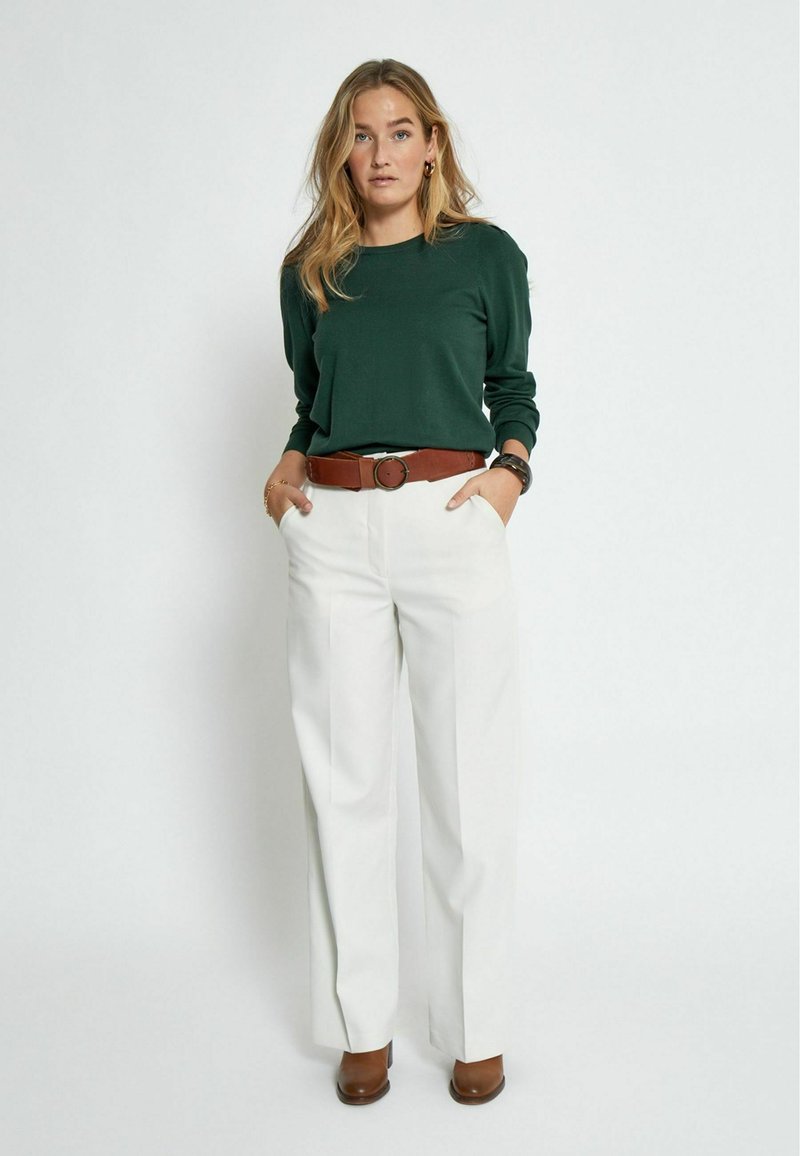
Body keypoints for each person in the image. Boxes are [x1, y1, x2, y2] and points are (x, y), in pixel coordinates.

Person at [263, 58, 540, 1106]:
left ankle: (474, 1028)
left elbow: (511, 383)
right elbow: (313, 398)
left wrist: (509, 474)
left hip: (447, 518)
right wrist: (289, 462)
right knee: (345, 784)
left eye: (399, 131)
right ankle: (361, 1025)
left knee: (467, 783)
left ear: (431, 144)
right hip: (331, 527)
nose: (379, 153)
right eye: (360, 133)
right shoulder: (310, 268)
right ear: (340, 150)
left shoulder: (483, 256)